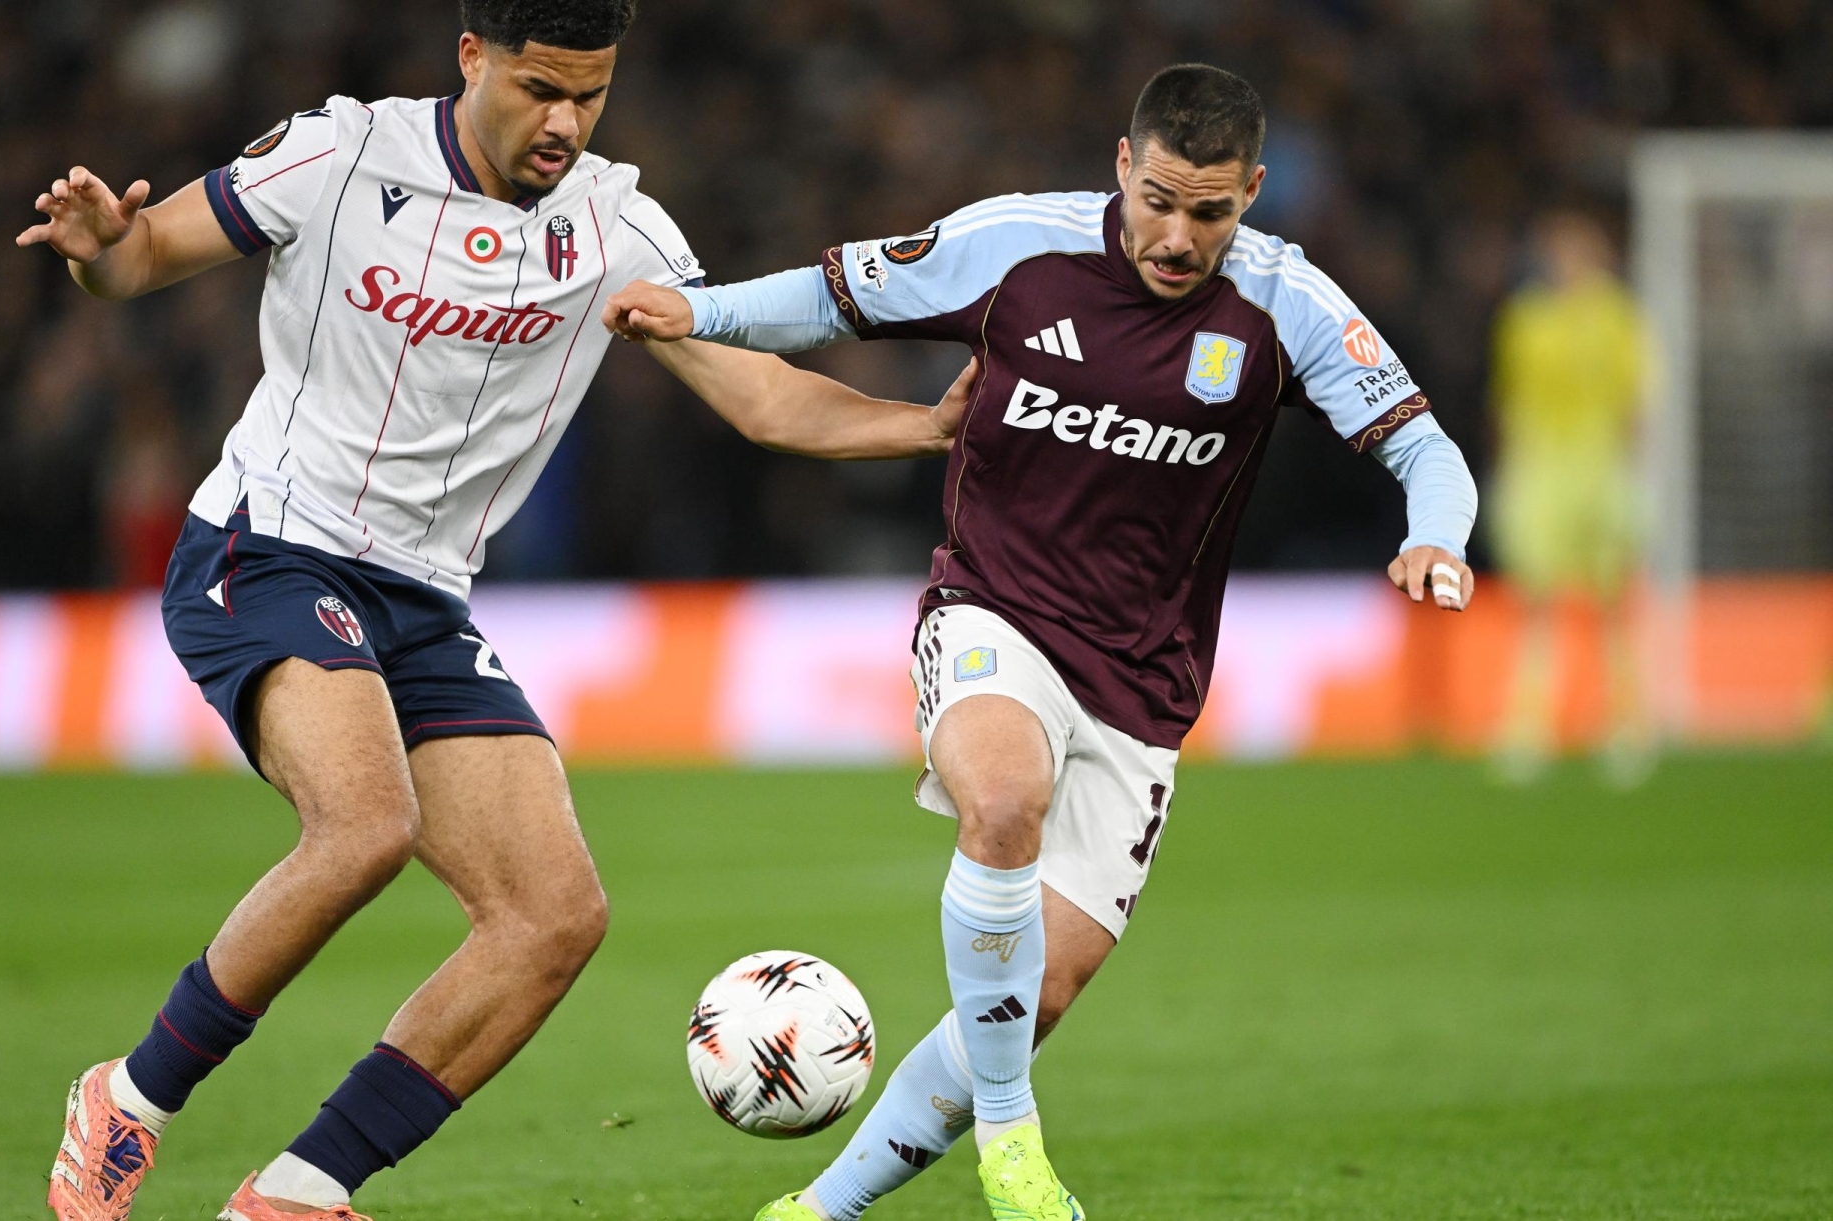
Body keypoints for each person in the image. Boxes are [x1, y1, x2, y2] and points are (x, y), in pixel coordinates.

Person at [15, 3, 972, 1219]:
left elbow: (764, 401)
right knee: (362, 827)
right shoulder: (343, 153)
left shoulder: (617, 228)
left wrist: (925, 428)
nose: (564, 123)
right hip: (270, 550)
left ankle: (301, 1193)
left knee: (553, 917)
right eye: (537, 89)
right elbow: (142, 257)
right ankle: (129, 1101)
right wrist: (102, 246)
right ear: (471, 59)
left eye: (591, 96)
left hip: (422, 599)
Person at [605, 63, 1479, 1221]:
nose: (1177, 235)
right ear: (1123, 165)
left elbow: (1428, 449)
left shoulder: (1287, 305)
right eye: (1158, 198)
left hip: (1143, 685)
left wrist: (1438, 539)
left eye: (1210, 211)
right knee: (1002, 800)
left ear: (1253, 193)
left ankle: (820, 1210)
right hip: (993, 612)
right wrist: (699, 311)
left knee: (1037, 992)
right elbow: (832, 297)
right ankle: (1014, 1137)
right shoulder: (1018, 246)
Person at [1488, 209, 1652, 785]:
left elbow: (1636, 404)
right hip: (1542, 472)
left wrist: (1631, 477)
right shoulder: (1526, 319)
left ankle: (1627, 729)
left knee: (1612, 604)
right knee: (1537, 604)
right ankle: (1529, 730)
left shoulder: (1616, 316)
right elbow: (1507, 401)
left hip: (1601, 470)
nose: (1567, 262)